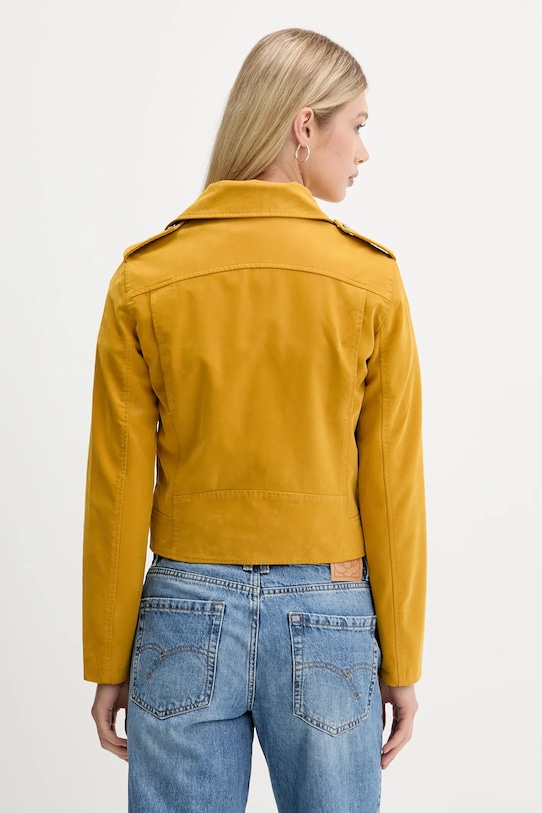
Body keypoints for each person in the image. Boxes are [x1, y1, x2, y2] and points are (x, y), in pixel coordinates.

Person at [83, 27, 426, 813]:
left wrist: (108, 656)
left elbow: (118, 487)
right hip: (330, 614)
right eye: (357, 125)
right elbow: (391, 486)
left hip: (181, 610)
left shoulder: (146, 277)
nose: (363, 151)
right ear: (305, 125)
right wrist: (401, 659)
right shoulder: (370, 281)